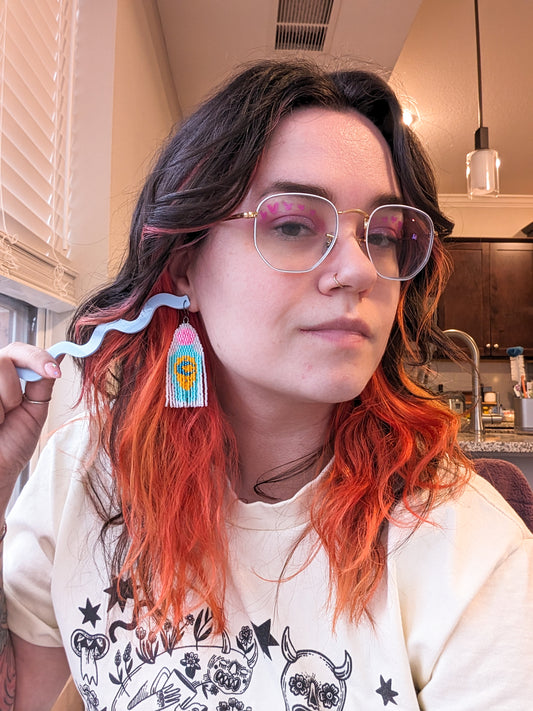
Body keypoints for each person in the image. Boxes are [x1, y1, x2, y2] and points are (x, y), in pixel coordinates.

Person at [0, 59, 531, 711]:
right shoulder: (78, 476)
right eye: (293, 224)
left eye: (383, 235)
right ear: (185, 264)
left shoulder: (472, 554)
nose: (360, 270)